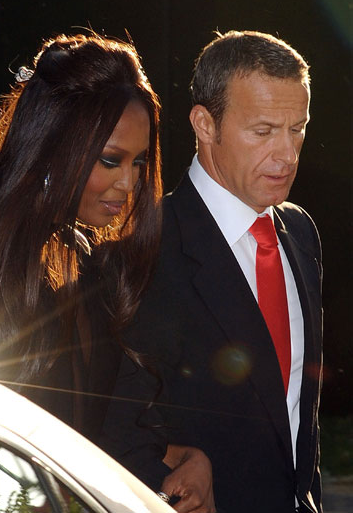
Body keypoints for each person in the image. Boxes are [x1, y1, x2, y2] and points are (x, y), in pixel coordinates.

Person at [0, 32, 214, 512]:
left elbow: (77, 441)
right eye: (110, 160)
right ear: (53, 146)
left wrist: (188, 459)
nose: (129, 183)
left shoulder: (82, 259)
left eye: (138, 162)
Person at [100, 30, 323, 513]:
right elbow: (115, 434)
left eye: (298, 128)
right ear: (204, 124)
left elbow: (296, 418)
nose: (287, 154)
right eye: (264, 131)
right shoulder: (142, 249)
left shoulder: (300, 233)